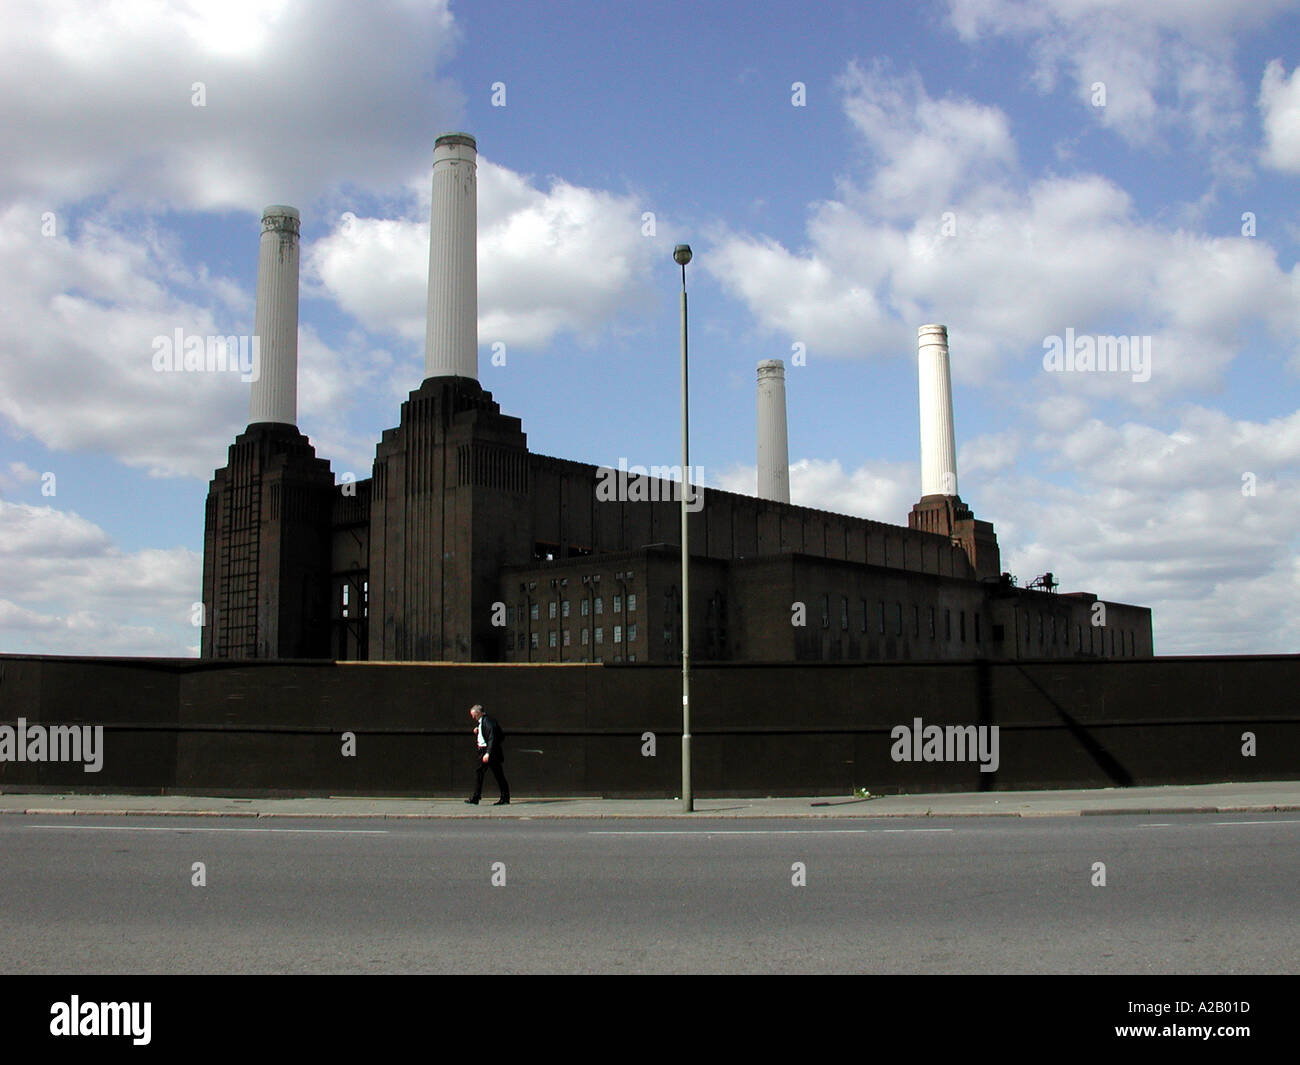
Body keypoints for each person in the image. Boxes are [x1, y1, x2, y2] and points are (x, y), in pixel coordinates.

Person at [465, 704, 509, 805]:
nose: (473, 717)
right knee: (491, 773)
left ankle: (503, 797)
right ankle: (503, 797)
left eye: (474, 715)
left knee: (495, 774)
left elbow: (492, 737)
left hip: (487, 752)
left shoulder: (487, 721)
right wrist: (478, 731)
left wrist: (488, 753)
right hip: (486, 751)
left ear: (478, 713)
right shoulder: (484, 721)